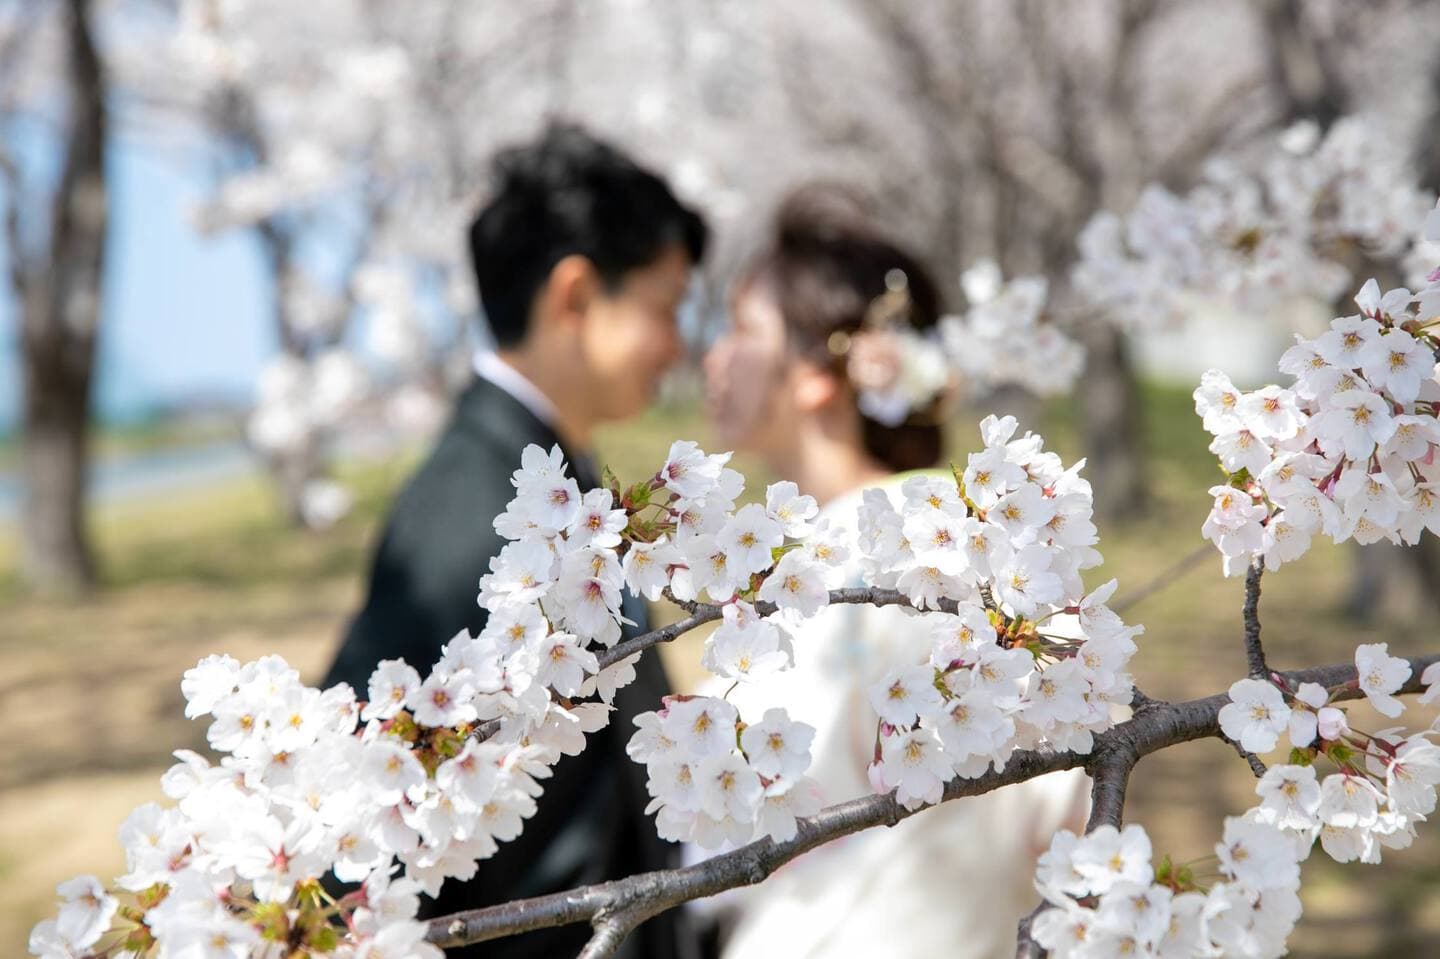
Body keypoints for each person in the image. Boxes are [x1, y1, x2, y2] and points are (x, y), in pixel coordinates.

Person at [323, 123, 709, 959]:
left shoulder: (540, 480)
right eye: (664, 306)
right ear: (574, 297)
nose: (679, 344)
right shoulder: (470, 515)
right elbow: (345, 847)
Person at [700, 185, 1089, 958]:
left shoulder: (929, 544)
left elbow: (1042, 804)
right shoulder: (798, 553)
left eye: (742, 328)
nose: (713, 355)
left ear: (818, 372)